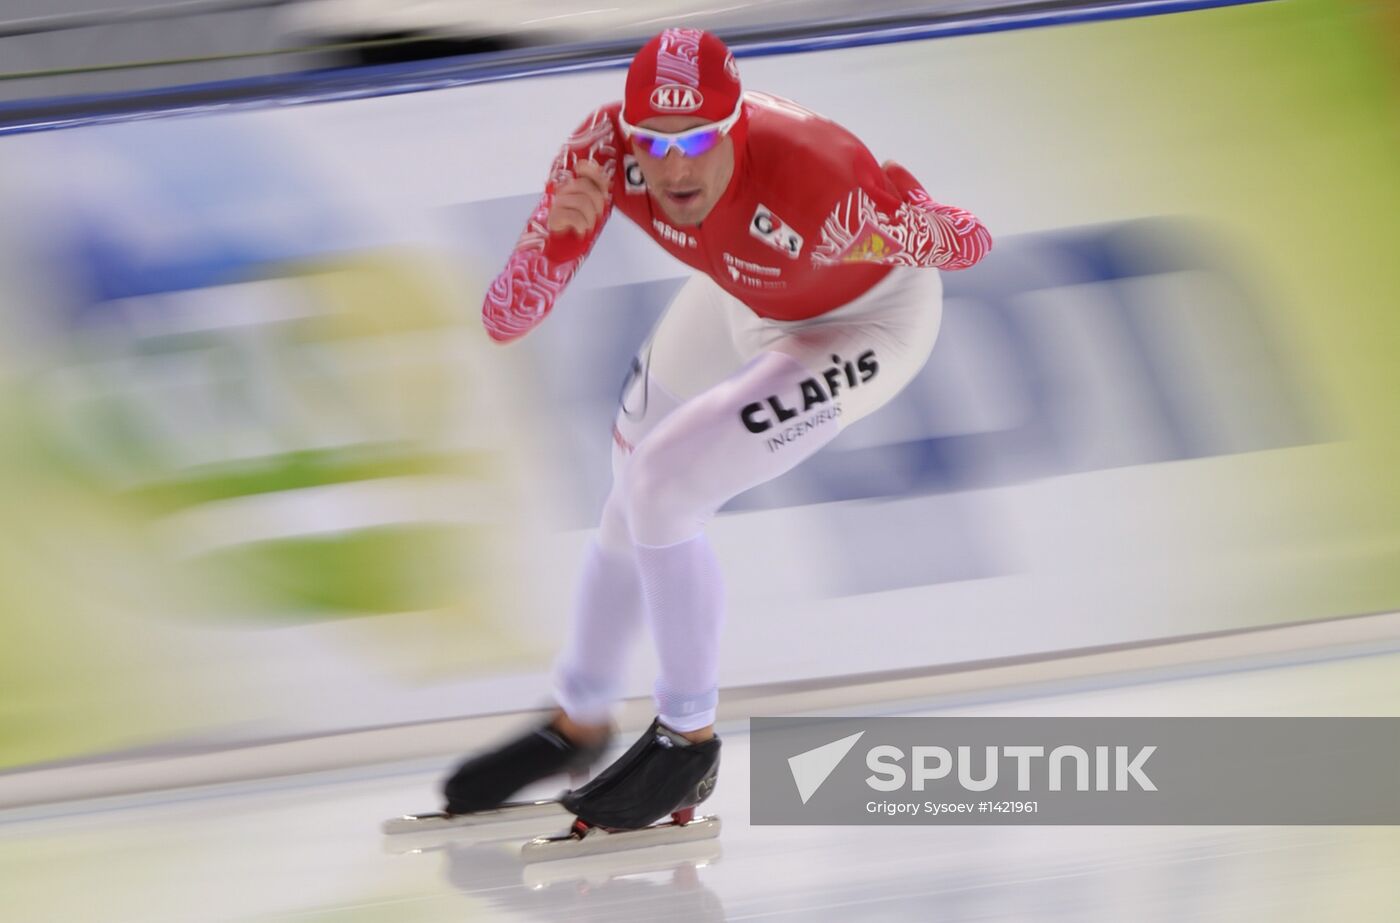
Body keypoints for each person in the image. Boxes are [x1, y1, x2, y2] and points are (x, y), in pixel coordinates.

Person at [444, 27, 991, 834]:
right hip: (746, 297)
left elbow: (970, 240)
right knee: (630, 475)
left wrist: (899, 231)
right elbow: (504, 317)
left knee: (668, 483)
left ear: (736, 127)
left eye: (697, 139)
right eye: (653, 142)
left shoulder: (820, 175)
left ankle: (688, 740)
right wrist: (558, 244)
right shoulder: (602, 154)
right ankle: (581, 717)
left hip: (868, 321)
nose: (673, 167)